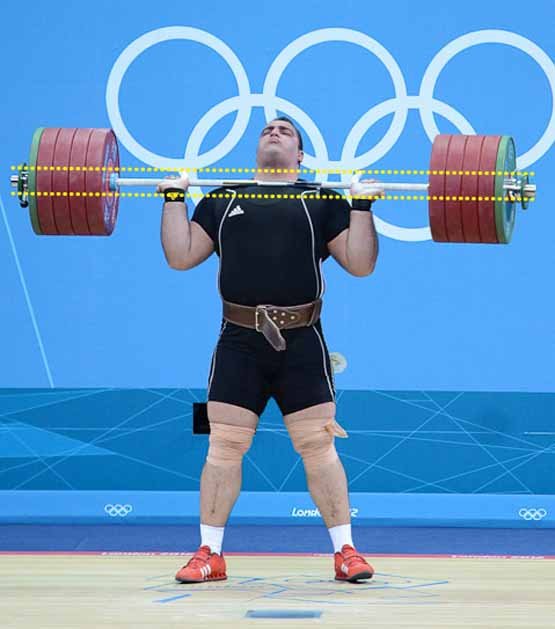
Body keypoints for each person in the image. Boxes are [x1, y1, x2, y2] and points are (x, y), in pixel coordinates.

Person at [158, 117, 381, 584]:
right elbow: (180, 257)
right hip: (239, 342)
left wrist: (361, 206)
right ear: (256, 148)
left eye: (286, 131)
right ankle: (209, 554)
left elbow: (361, 265)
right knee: (224, 445)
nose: (274, 132)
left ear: (300, 155)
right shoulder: (222, 199)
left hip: (303, 341)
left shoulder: (322, 200)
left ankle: (346, 552)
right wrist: (175, 198)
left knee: (318, 445)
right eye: (267, 130)